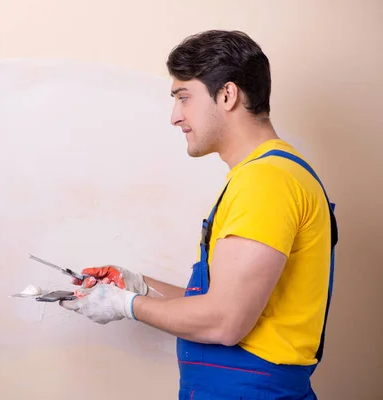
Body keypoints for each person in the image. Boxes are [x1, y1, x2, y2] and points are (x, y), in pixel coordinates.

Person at [59, 30, 338, 400]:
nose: (176, 117)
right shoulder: (262, 176)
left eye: (183, 97)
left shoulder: (266, 182)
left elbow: (225, 321)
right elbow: (218, 299)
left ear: (227, 94)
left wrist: (124, 306)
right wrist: (138, 285)